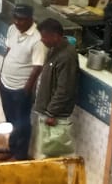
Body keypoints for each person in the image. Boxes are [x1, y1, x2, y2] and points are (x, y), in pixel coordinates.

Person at [0, 4, 46, 159]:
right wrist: (1, 75)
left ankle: (20, 155)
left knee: (22, 123)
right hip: (5, 83)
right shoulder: (12, 29)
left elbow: (38, 67)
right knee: (10, 119)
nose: (18, 22)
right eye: (16, 18)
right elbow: (8, 50)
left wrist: (27, 89)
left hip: (21, 88)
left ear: (31, 19)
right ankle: (11, 147)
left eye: (22, 20)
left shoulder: (38, 39)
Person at [33, 18, 79, 158]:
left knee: (52, 154)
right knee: (46, 151)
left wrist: (52, 113)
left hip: (55, 116)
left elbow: (64, 89)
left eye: (44, 37)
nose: (42, 40)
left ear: (55, 36)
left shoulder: (66, 56)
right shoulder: (53, 49)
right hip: (47, 111)